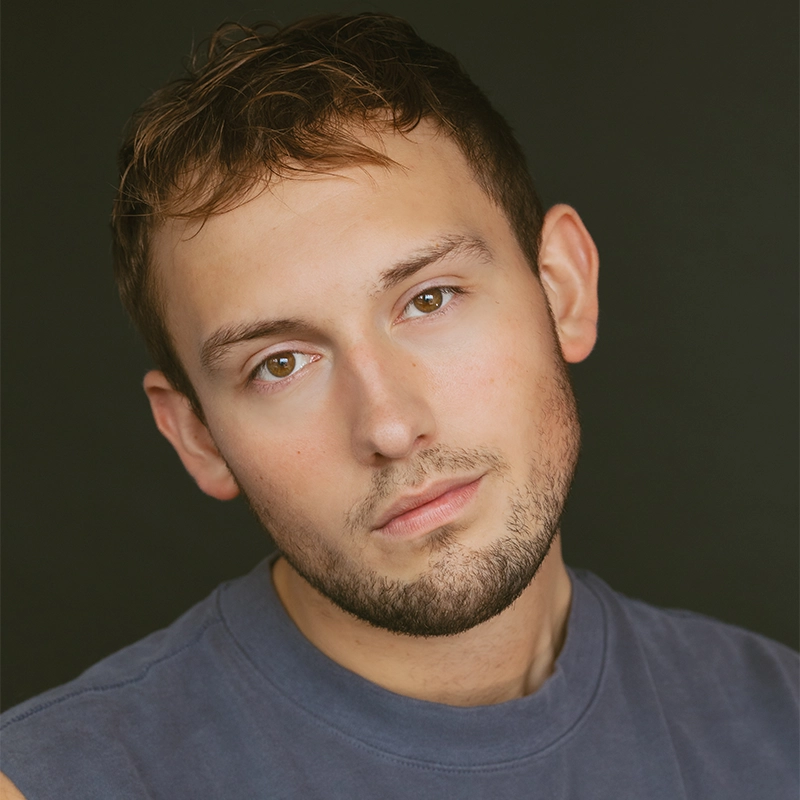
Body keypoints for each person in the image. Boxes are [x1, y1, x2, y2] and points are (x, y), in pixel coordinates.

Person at [1, 13, 796, 799]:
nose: (387, 425)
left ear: (563, 289)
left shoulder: (782, 729)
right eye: (280, 363)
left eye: (431, 299)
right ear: (197, 437)